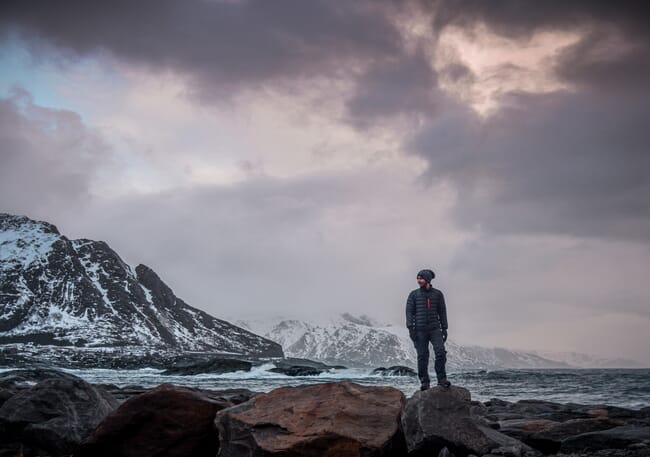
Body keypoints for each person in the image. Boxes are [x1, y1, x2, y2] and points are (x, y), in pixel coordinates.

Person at [405, 268, 451, 390]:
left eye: (421, 278)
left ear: (428, 280)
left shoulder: (438, 294)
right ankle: (424, 382)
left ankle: (442, 379)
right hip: (419, 330)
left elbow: (442, 311)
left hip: (435, 329)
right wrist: (411, 329)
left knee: (440, 353)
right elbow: (409, 312)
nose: (419, 281)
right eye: (418, 278)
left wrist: (444, 328)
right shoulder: (413, 295)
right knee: (422, 356)